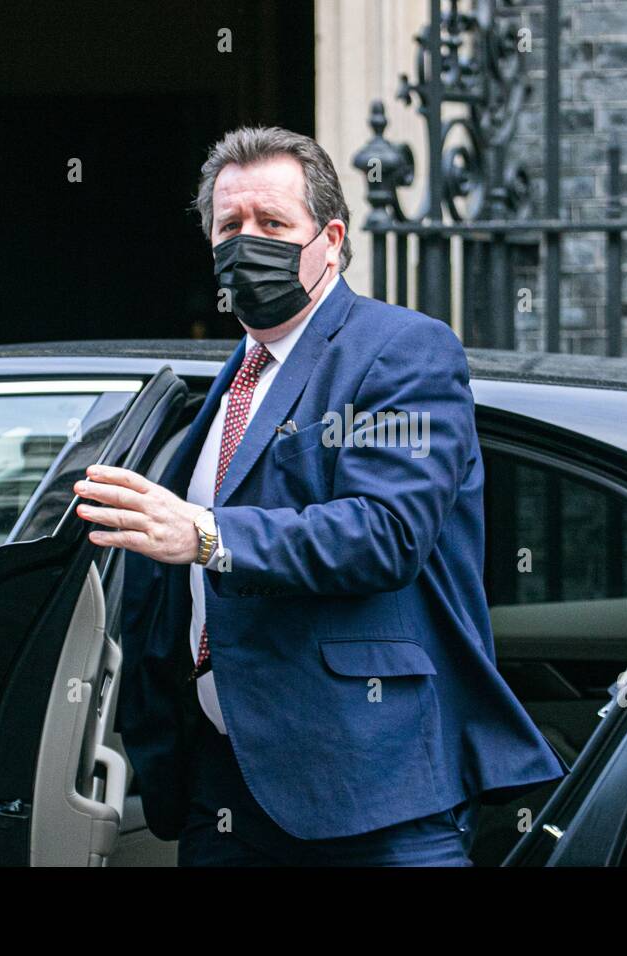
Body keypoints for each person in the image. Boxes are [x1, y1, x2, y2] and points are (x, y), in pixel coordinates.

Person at [73, 126, 567, 866]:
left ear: (330, 239)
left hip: (370, 787)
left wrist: (206, 535)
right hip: (225, 784)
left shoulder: (401, 350)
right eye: (229, 226)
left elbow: (386, 533)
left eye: (273, 224)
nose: (248, 242)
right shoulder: (231, 380)